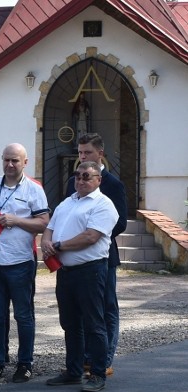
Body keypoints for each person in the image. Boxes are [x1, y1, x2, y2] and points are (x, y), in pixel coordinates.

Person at [0, 144, 50, 383]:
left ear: (25, 162)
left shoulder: (34, 189)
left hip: (20, 262)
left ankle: (25, 363)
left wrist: (17, 220)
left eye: (15, 161)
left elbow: (44, 222)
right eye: (6, 160)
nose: (10, 165)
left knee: (23, 316)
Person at [43, 161, 118, 392]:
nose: (81, 180)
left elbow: (91, 237)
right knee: (70, 323)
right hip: (66, 272)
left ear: (98, 180)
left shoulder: (104, 205)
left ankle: (97, 373)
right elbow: (50, 227)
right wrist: (46, 242)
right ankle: (74, 371)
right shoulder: (67, 202)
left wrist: (58, 245)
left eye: (86, 176)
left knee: (94, 323)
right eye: (77, 176)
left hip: (90, 271)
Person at [64, 133, 127, 377]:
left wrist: (95, 231)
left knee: (106, 307)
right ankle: (84, 360)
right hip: (76, 257)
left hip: (102, 255)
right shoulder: (74, 181)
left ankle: (105, 359)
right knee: (80, 311)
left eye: (87, 152)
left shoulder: (113, 184)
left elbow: (120, 223)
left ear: (100, 153)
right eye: (80, 152)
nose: (82, 157)